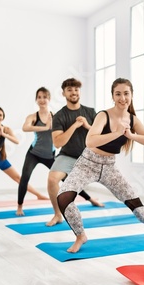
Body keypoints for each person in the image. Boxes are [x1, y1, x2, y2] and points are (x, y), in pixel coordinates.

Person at [57, 78, 144, 253]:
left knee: (139, 210)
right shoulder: (104, 115)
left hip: (109, 167)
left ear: (131, 95)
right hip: (87, 164)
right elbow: (90, 140)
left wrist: (132, 136)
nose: (122, 98)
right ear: (113, 96)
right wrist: (116, 133)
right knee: (63, 197)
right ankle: (80, 235)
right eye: (118, 94)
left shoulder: (132, 119)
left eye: (126, 93)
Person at [16, 87, 102, 216]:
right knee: (25, 178)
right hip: (33, 153)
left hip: (49, 155)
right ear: (36, 100)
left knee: (67, 179)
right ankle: (19, 207)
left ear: (49, 99)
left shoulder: (56, 116)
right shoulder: (33, 116)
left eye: (45, 97)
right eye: (39, 97)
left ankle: (90, 199)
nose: (42, 100)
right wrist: (45, 127)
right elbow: (25, 127)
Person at [46, 78, 103, 227]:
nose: (73, 92)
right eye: (70, 90)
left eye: (76, 89)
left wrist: (86, 125)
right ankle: (58, 214)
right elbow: (57, 142)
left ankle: (138, 211)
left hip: (88, 157)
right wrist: (75, 125)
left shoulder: (90, 112)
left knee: (116, 183)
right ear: (63, 93)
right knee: (52, 180)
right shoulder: (59, 116)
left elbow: (100, 136)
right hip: (67, 155)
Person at [0, 106, 48, 206]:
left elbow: (16, 141)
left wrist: (4, 135)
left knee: (18, 177)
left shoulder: (6, 129)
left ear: (3, 117)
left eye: (0, 115)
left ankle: (38, 195)